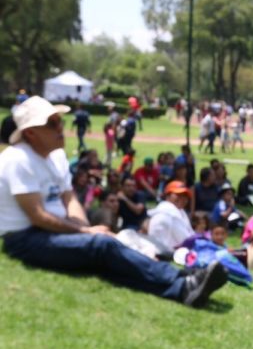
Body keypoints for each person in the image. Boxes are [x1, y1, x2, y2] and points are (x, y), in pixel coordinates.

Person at [0, 96, 227, 308]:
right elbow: (37, 216)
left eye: (60, 121)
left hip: (51, 230)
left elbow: (69, 198)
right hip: (26, 238)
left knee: (105, 257)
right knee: (102, 246)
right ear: (30, 134)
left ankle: (182, 287)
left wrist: (84, 229)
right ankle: (183, 282)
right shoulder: (17, 160)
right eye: (52, 123)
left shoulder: (55, 156)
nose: (61, 128)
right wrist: (87, 233)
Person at [147, 181, 195, 250]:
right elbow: (185, 239)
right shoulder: (170, 212)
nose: (182, 198)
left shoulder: (179, 211)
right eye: (178, 195)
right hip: (163, 253)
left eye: (185, 196)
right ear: (167, 196)